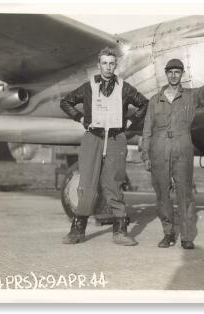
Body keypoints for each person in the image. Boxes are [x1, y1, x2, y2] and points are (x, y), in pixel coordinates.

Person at [60, 47, 148, 246]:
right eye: (104, 63)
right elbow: (66, 102)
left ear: (115, 65)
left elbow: (145, 103)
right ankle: (77, 230)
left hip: (117, 138)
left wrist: (130, 122)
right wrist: (81, 118)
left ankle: (120, 232)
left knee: (114, 184)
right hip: (93, 137)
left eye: (111, 63)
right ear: (99, 65)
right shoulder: (88, 87)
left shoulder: (125, 88)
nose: (108, 67)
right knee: (87, 184)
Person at [141, 52, 204, 249]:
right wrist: (145, 154)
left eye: (178, 72)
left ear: (182, 74)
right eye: (171, 72)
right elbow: (147, 129)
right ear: (166, 75)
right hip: (159, 148)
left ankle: (186, 236)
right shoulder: (154, 100)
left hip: (183, 146)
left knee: (184, 193)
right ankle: (168, 233)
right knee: (162, 193)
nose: (174, 76)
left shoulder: (191, 96)